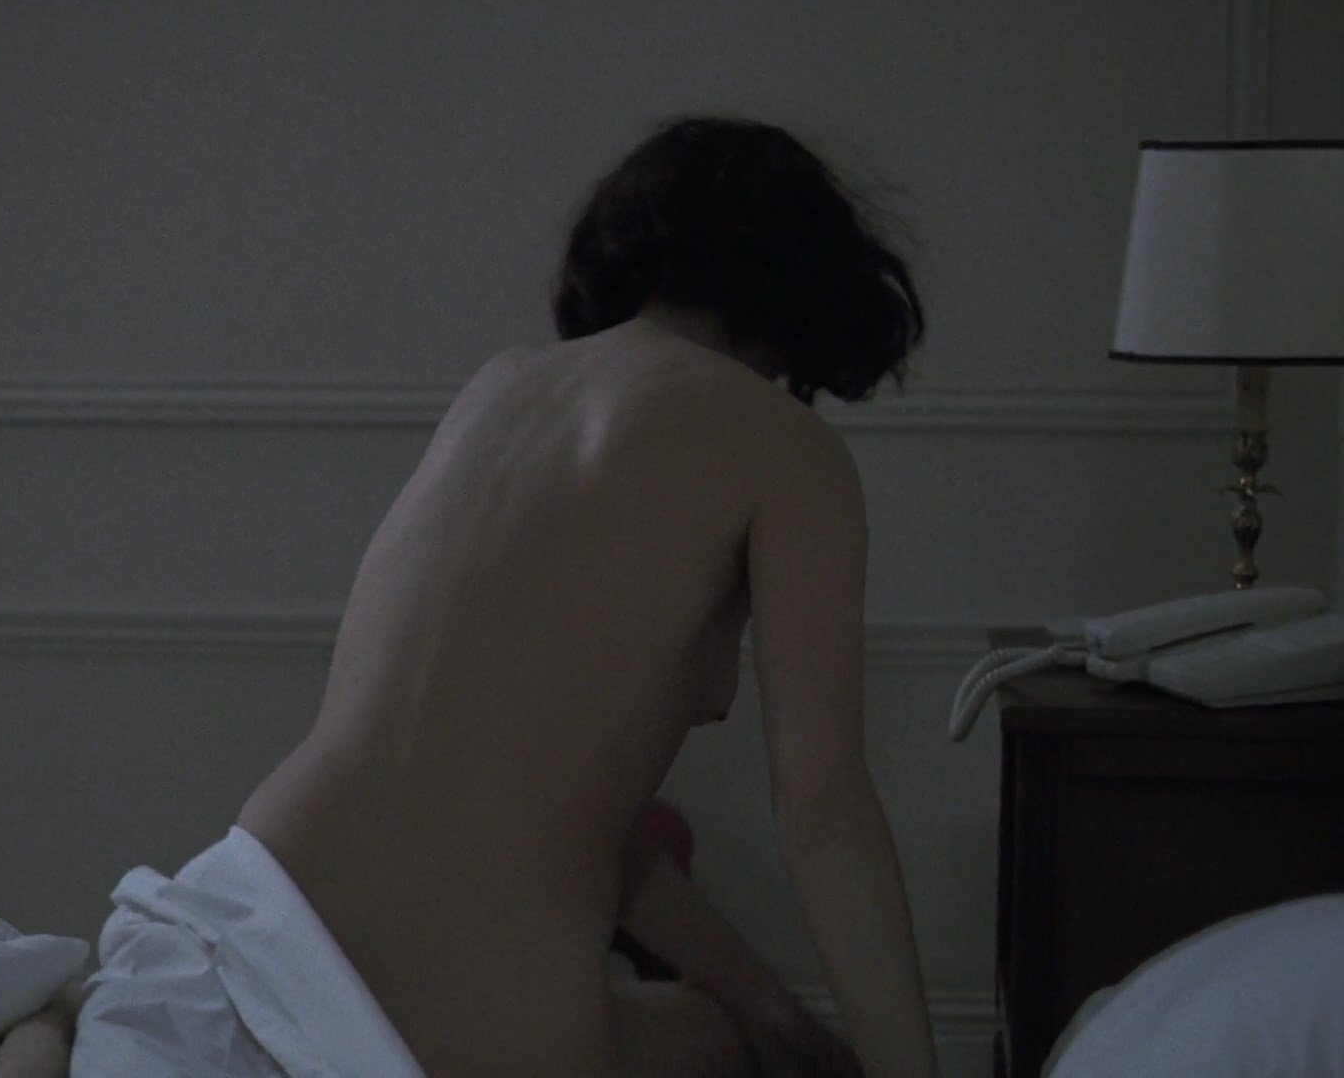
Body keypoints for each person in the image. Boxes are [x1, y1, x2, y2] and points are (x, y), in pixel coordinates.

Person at [75, 114, 940, 1077]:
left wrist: (772, 1013)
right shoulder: (785, 448)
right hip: (459, 1021)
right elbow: (824, 812)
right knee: (714, 1050)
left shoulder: (502, 389)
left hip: (244, 920)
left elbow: (567, 821)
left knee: (713, 1031)